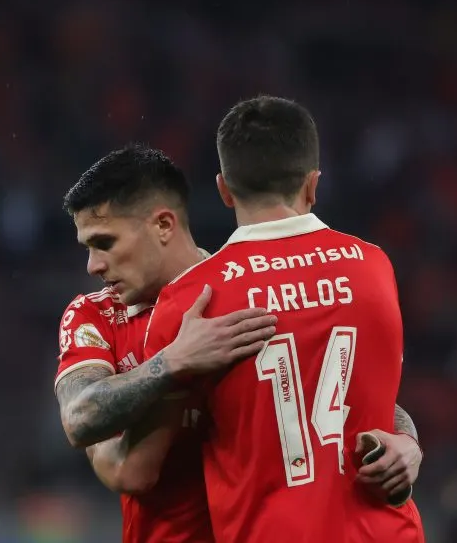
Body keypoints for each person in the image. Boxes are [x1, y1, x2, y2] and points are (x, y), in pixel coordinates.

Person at [55, 144, 422, 543]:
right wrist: (172, 361)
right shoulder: (94, 315)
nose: (93, 266)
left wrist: (407, 440)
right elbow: (80, 418)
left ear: (163, 225)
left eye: (104, 243)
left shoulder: (244, 296)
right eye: (87, 248)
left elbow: (333, 384)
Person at [143, 96, 425, 543]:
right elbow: (370, 399)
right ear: (313, 185)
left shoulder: (188, 302)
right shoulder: (374, 268)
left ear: (223, 189)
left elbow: (147, 466)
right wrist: (410, 443)